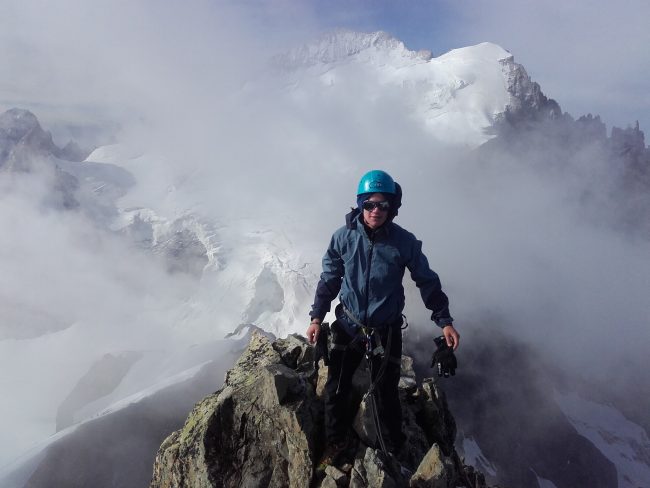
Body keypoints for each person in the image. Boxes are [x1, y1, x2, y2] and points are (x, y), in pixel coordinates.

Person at [306, 169, 460, 465]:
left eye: (382, 205)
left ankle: (394, 450)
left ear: (392, 207)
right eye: (369, 205)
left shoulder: (405, 243)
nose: (375, 211)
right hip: (349, 325)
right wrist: (316, 318)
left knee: (385, 394)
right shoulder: (343, 238)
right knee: (336, 388)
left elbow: (426, 280)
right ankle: (336, 443)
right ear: (360, 204)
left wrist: (445, 321)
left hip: (385, 330)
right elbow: (329, 279)